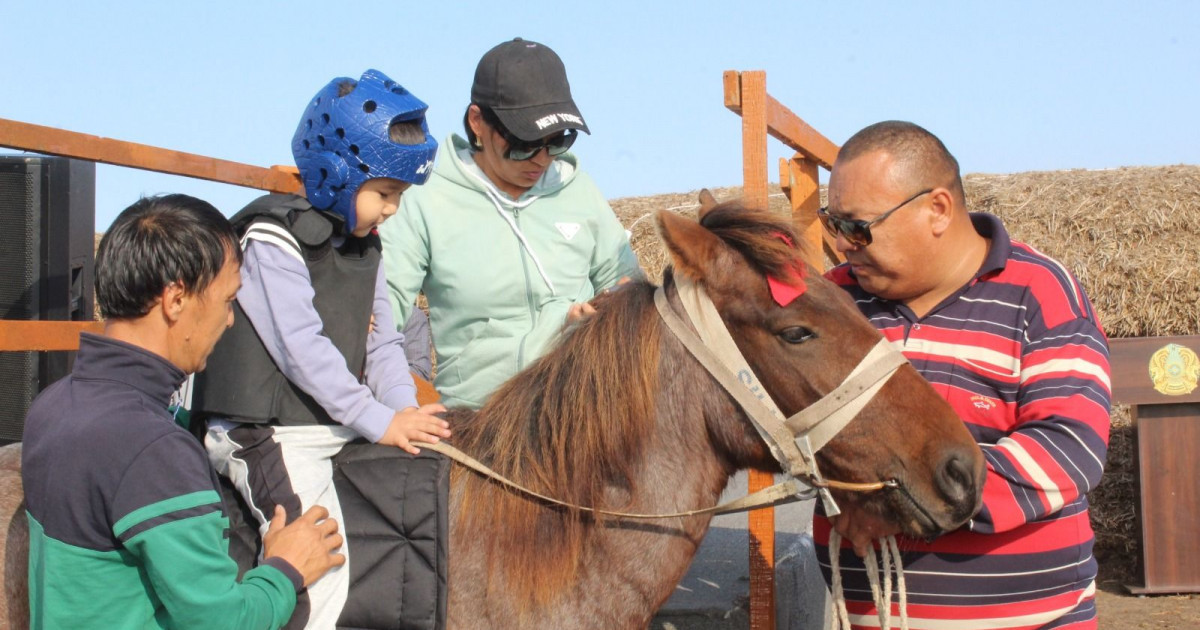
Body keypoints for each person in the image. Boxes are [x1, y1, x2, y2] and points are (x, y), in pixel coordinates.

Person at [814, 121, 1112, 629]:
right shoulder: (832, 300)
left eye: (858, 227)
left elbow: (1068, 447)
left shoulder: (1040, 294)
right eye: (833, 224)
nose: (843, 245)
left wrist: (897, 504)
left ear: (937, 210)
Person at [190, 69, 451, 628]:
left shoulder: (365, 248)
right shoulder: (271, 240)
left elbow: (384, 339)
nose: (391, 210)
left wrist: (402, 408)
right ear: (336, 173)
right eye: (384, 193)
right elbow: (300, 349)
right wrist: (377, 420)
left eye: (398, 197)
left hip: (328, 423)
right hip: (266, 433)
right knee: (320, 565)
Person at [21, 195, 344, 629]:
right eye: (228, 300)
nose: (230, 321)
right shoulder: (154, 451)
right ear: (176, 299)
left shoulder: (51, 405)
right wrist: (286, 568)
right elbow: (223, 622)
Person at [379, 38, 644, 409]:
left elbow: (632, 288)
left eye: (558, 141)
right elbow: (381, 313)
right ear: (477, 122)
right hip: (481, 419)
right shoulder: (425, 198)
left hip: (585, 411)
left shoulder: (579, 191)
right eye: (524, 142)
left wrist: (608, 308)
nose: (541, 159)